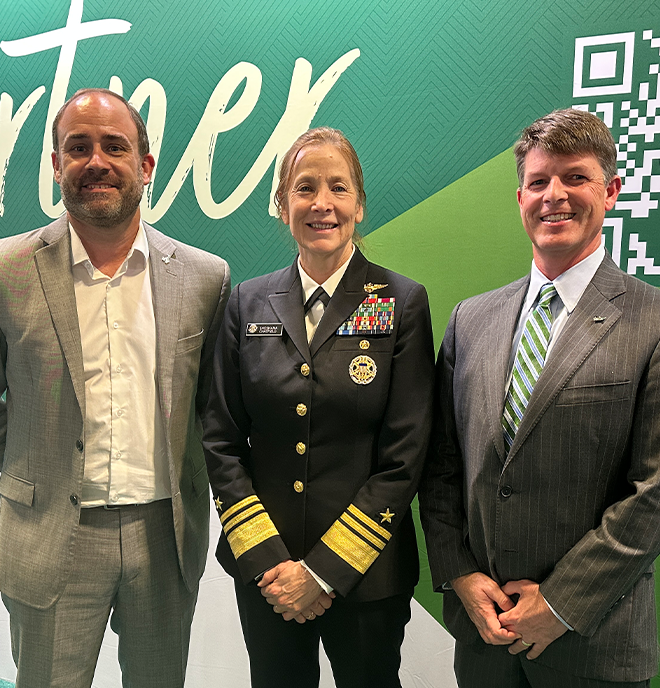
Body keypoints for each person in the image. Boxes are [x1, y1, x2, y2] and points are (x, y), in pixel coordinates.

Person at [0, 88, 230, 687]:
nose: (96, 161)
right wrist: (35, 466)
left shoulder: (205, 277)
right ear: (56, 164)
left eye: (114, 146)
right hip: (50, 535)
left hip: (164, 536)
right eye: (78, 147)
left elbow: (214, 410)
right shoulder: (0, 270)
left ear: (145, 166)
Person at [420, 108, 660, 688]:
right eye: (538, 181)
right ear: (520, 197)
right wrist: (459, 574)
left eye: (574, 177)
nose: (555, 195)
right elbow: (442, 463)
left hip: (592, 645)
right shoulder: (470, 319)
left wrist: (558, 604)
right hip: (485, 638)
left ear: (612, 190)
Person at [203, 127, 434, 687]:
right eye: (305, 188)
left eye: (338, 187)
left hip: (366, 570)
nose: (321, 203)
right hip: (266, 571)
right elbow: (221, 438)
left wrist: (325, 572)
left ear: (359, 204)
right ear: (283, 205)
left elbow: (406, 453)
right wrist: (270, 563)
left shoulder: (401, 302)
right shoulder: (245, 303)